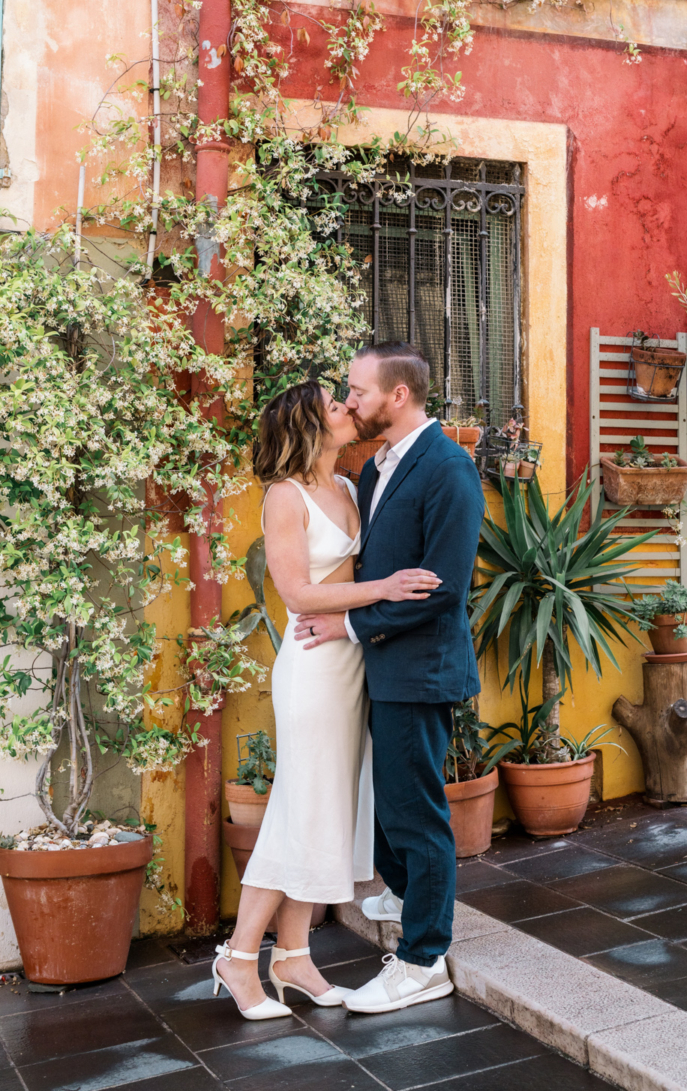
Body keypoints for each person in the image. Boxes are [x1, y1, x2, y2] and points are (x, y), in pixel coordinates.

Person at [211, 379, 441, 1019]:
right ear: (310, 423)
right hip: (313, 666)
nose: (348, 409)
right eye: (336, 405)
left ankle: (292, 957)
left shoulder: (346, 486)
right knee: (297, 808)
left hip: (353, 663)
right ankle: (237, 955)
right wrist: (387, 589)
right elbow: (298, 595)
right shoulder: (283, 497)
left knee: (326, 812)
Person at [295, 342, 484, 1015]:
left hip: (420, 671)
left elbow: (441, 590)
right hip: (380, 670)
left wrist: (346, 628)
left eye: (358, 390)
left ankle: (424, 958)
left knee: (418, 816)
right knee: (389, 809)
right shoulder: (375, 470)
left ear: (397, 396)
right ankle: (406, 895)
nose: (348, 401)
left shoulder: (449, 469)